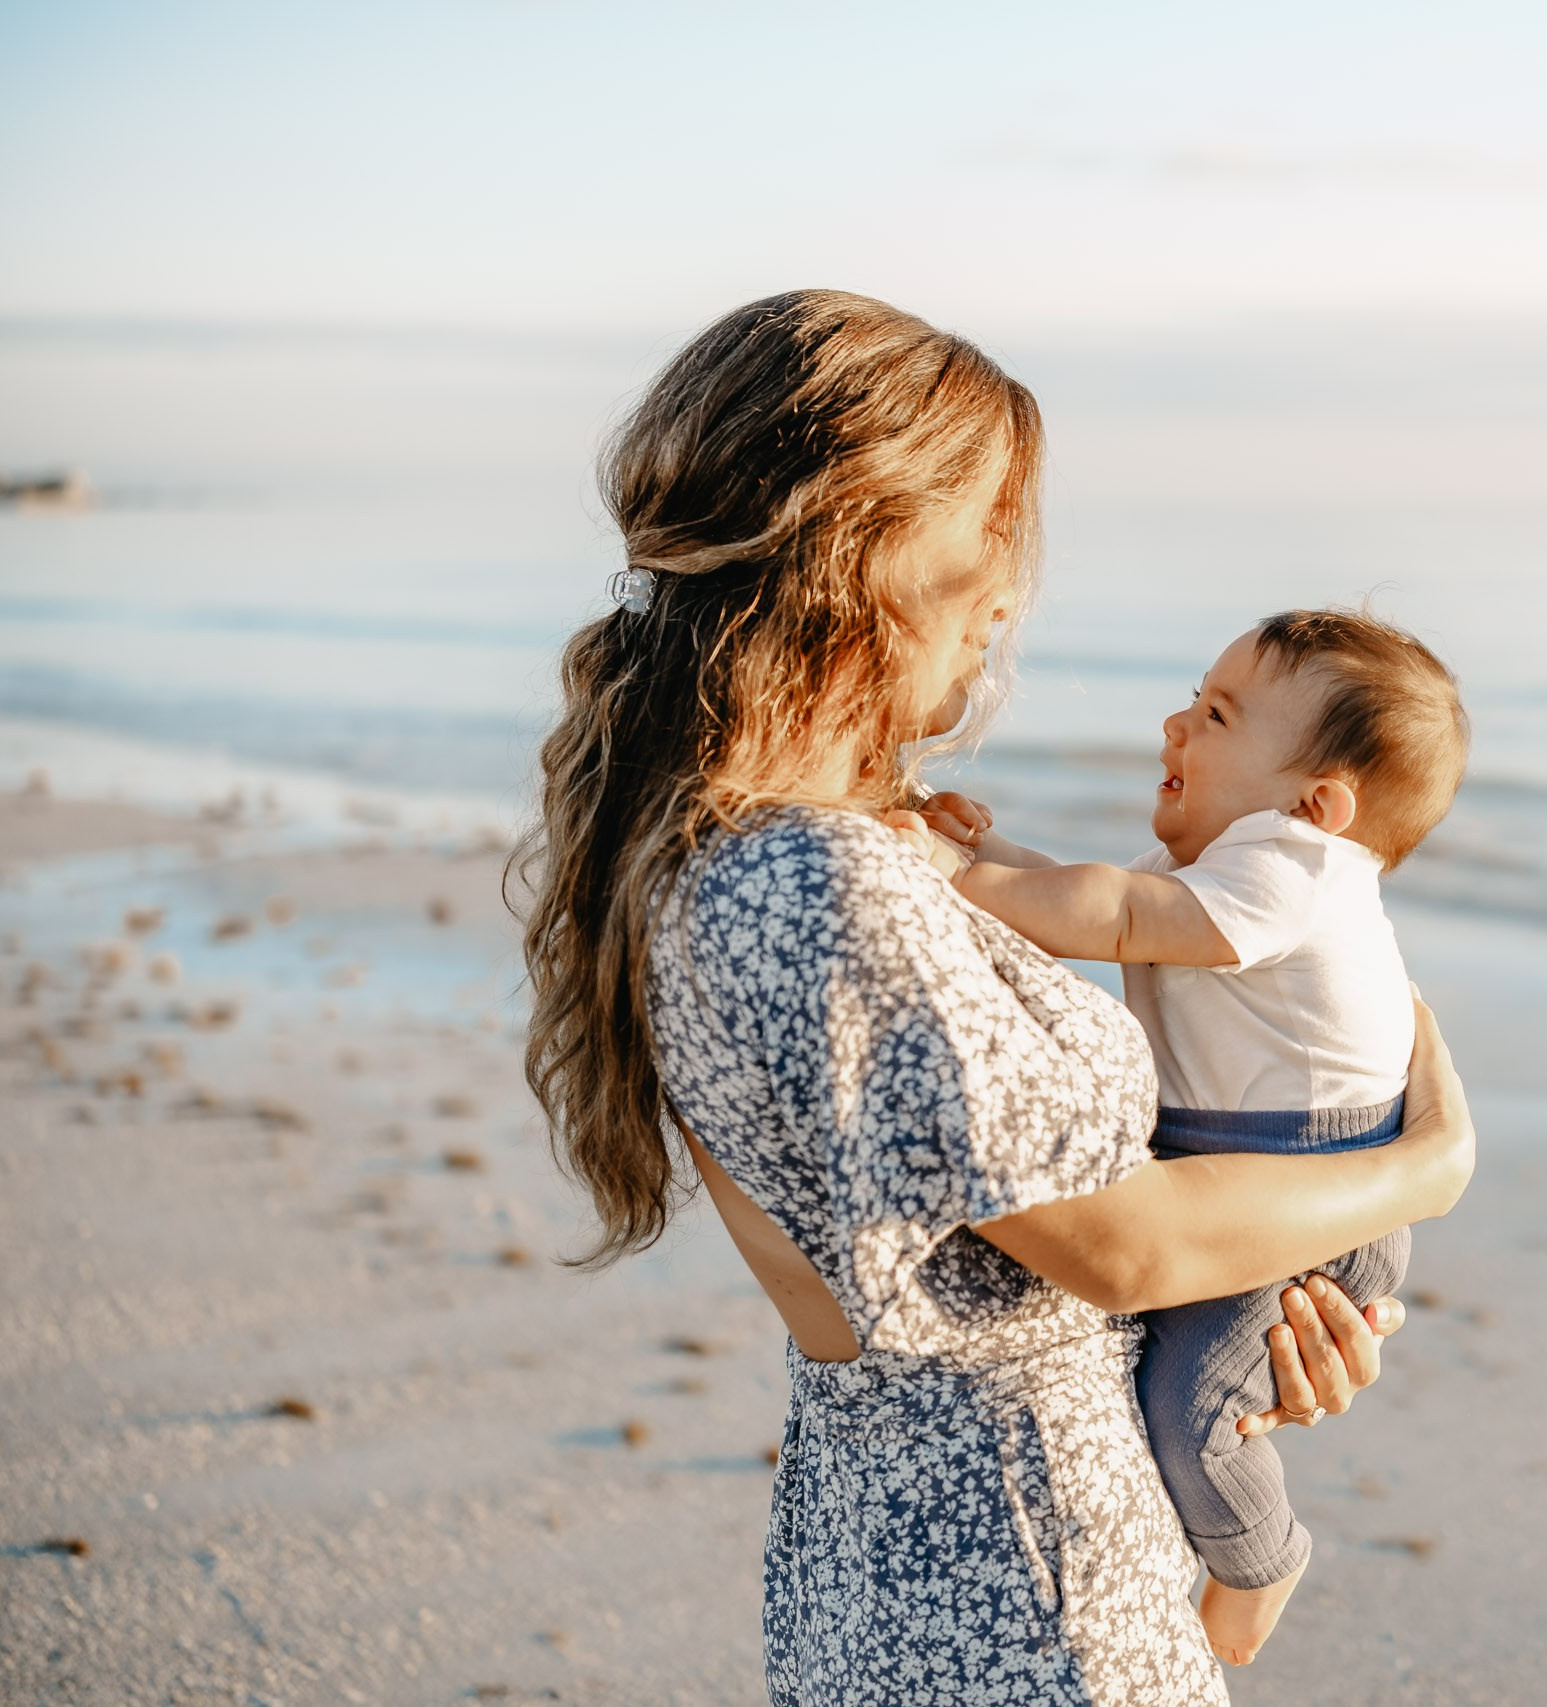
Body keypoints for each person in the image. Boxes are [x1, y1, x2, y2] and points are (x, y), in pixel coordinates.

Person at [512, 289, 1477, 1707]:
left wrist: (1257, 1335)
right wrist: (1422, 1167)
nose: (1011, 593)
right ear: (866, 549)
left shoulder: (769, 841)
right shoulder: (809, 882)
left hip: (932, 1543)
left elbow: (1040, 1254)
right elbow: (1123, 1247)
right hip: (1020, 1583)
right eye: (988, 536)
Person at [919, 608, 1467, 1665]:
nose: (1176, 724)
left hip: (1310, 1187)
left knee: (1189, 1407)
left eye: (1216, 715)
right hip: (1246, 1166)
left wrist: (949, 875)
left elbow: (1115, 915)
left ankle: (1258, 1566)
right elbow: (1101, 898)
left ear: (1318, 804)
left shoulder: (1295, 864)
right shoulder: (1236, 870)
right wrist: (975, 845)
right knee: (1164, 1391)